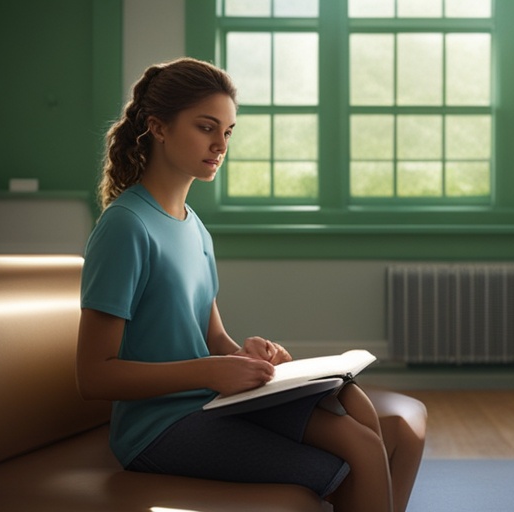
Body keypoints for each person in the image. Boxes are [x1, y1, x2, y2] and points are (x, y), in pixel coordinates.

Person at [76, 57, 400, 511]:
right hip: (158, 428)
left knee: (352, 403)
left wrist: (249, 354)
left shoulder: (194, 228)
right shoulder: (125, 226)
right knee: (353, 455)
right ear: (158, 127)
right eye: (206, 127)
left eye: (227, 132)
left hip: (208, 402)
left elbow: (213, 339)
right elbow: (94, 374)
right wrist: (210, 371)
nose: (219, 144)